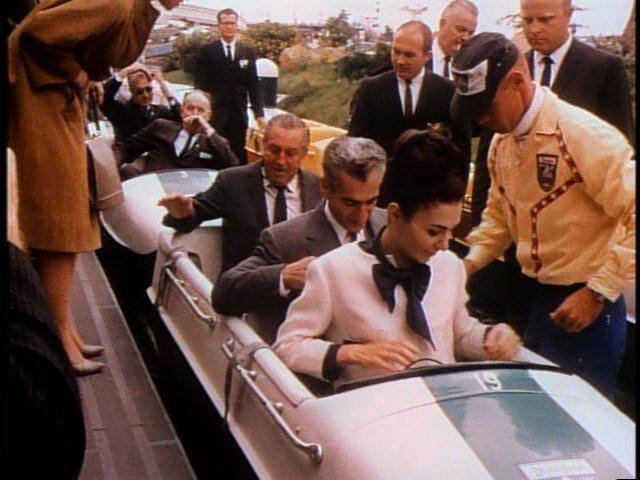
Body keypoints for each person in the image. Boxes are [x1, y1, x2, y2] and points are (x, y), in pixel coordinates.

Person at [450, 32, 635, 397]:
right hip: (538, 297)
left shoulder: (585, 136)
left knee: (581, 423)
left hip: (590, 304)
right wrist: (463, 266)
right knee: (532, 412)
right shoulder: (501, 145)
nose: (482, 120)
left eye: (486, 108)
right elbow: (498, 220)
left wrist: (596, 293)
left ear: (517, 83)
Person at [8, 0, 182, 375]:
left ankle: (62, 329)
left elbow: (119, 50)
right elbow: (38, 31)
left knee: (64, 217)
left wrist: (93, 76)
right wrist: (75, 72)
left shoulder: (133, 5)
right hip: (40, 103)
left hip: (53, 102)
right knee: (59, 218)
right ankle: (56, 337)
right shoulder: (116, 2)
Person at [274, 128, 521, 386]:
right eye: (434, 231)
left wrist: (489, 338)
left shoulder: (449, 266)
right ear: (395, 215)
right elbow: (287, 346)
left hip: (443, 404)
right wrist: (347, 353)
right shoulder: (333, 270)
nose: (445, 244)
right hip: (372, 414)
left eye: (451, 230)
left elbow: (458, 334)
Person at [212, 136, 388, 341]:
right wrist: (283, 276)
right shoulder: (284, 239)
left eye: (371, 201)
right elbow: (223, 294)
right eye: (350, 203)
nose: (362, 215)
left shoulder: (389, 224)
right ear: (325, 188)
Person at [159, 113, 323, 272]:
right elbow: (191, 218)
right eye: (274, 150)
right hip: (243, 291)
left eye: (290, 153)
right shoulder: (232, 182)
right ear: (262, 145)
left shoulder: (319, 189)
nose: (281, 161)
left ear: (303, 154)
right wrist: (181, 212)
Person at [348, 21, 470, 166]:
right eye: (396, 52)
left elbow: (461, 150)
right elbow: (355, 144)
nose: (400, 61)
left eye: (409, 55)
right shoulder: (371, 88)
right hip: (382, 184)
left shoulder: (448, 92)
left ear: (426, 55)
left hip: (431, 184)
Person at [521, 0, 634, 143]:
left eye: (544, 20)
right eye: (527, 20)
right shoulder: (515, 70)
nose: (534, 29)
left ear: (568, 15)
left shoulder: (603, 68)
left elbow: (622, 141)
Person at [114, 89, 238, 179]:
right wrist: (111, 166)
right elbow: (125, 147)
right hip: (154, 188)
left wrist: (209, 131)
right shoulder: (161, 127)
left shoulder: (214, 142)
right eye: (190, 108)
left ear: (209, 115)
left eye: (201, 110)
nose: (195, 114)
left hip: (190, 198)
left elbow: (233, 166)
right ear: (182, 111)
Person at [194, 7, 265, 163]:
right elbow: (200, 83)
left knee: (237, 155)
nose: (229, 27)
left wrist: (259, 114)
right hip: (216, 114)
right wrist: (200, 111)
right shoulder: (208, 51)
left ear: (237, 25)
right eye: (225, 23)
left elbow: (253, 84)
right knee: (213, 153)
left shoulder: (247, 52)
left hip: (238, 115)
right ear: (219, 25)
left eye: (232, 23)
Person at [100, 64, 182, 142]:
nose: (146, 95)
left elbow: (180, 118)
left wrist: (163, 86)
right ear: (131, 91)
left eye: (148, 89)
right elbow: (104, 98)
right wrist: (125, 72)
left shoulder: (161, 110)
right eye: (140, 91)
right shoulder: (122, 112)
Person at [430, 0, 478, 80]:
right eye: (461, 30)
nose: (466, 38)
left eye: (471, 33)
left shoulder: (470, 67)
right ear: (442, 24)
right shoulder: (420, 55)